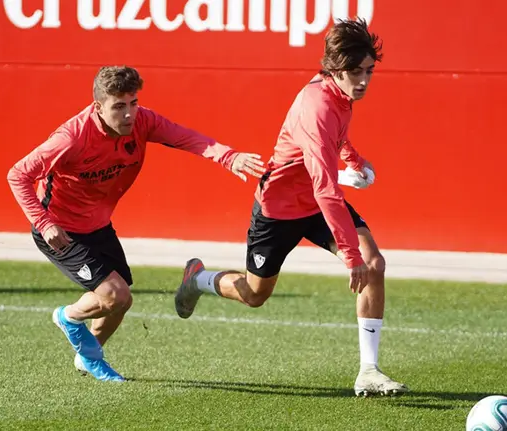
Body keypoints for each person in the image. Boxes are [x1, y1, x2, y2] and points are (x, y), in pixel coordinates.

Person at [173, 18, 409, 396]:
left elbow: (339, 137)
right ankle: (198, 279)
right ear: (335, 69)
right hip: (280, 209)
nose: (363, 80)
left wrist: (353, 159)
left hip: (316, 206)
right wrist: (349, 255)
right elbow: (325, 188)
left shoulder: (340, 94)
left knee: (375, 263)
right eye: (355, 72)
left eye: (369, 71)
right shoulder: (316, 108)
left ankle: (369, 371)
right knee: (255, 295)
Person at [7, 66, 266, 382]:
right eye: (119, 106)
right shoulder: (71, 137)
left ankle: (88, 356)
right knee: (116, 295)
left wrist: (229, 157)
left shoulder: (143, 121)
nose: (129, 113)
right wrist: (44, 223)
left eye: (133, 103)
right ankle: (67, 316)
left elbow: (186, 137)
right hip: (61, 230)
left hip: (98, 225)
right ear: (98, 107)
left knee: (120, 302)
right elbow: (18, 174)